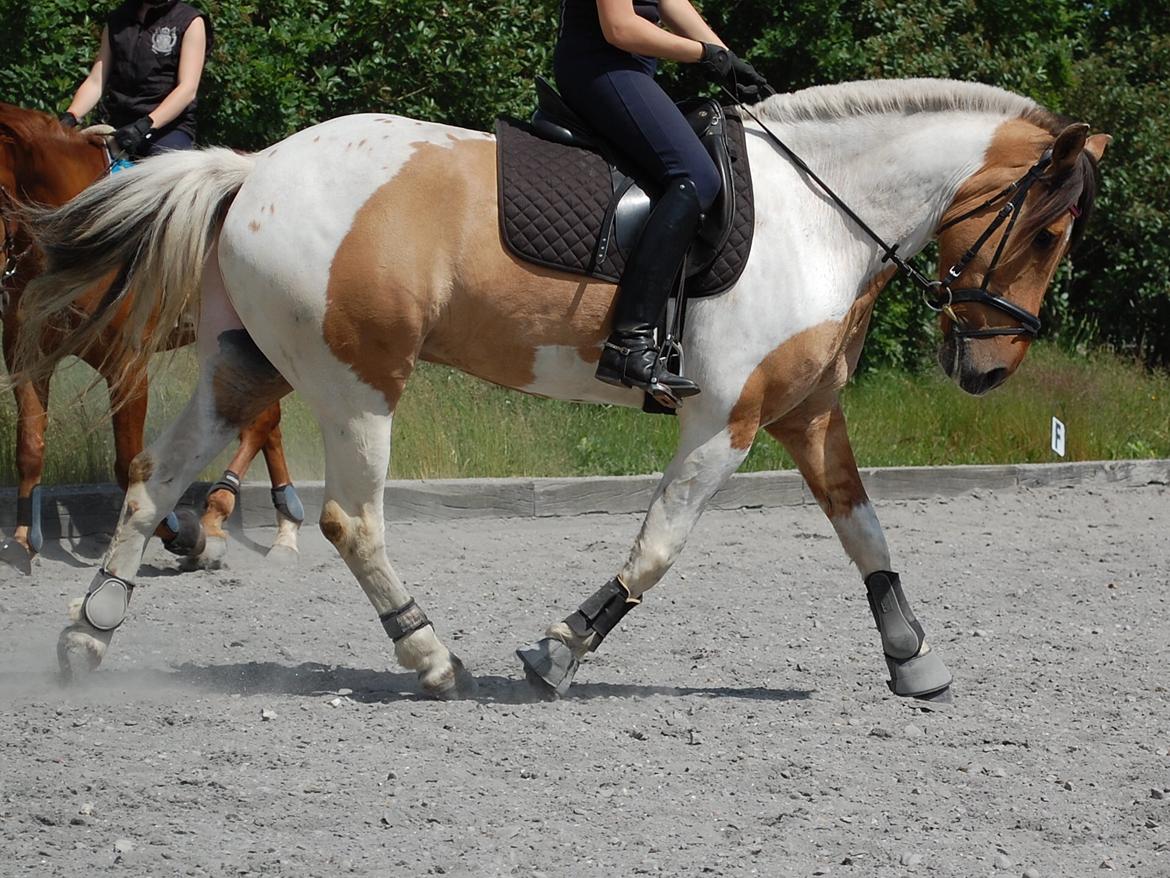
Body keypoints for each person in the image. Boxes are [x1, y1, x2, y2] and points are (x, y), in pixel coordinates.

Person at [554, 0, 769, 402]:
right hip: (599, 65)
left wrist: (728, 60)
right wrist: (705, 55)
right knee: (696, 176)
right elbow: (620, 27)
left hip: (630, 70)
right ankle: (629, 343)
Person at [59, 0, 210, 158]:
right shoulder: (117, 19)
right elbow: (96, 81)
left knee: (164, 175)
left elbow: (187, 89)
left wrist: (145, 125)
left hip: (167, 130)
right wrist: (71, 116)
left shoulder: (191, 21)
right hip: (117, 125)